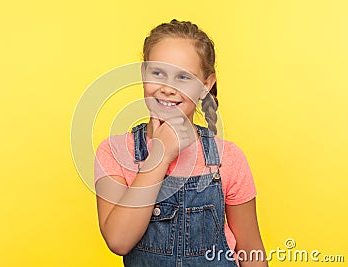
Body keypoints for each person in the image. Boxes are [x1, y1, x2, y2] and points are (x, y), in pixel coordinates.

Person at [94, 19, 268, 266]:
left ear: (205, 85)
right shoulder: (114, 152)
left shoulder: (227, 158)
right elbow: (118, 241)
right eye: (158, 73)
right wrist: (160, 155)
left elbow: (250, 249)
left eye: (183, 77)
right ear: (143, 74)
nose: (168, 88)